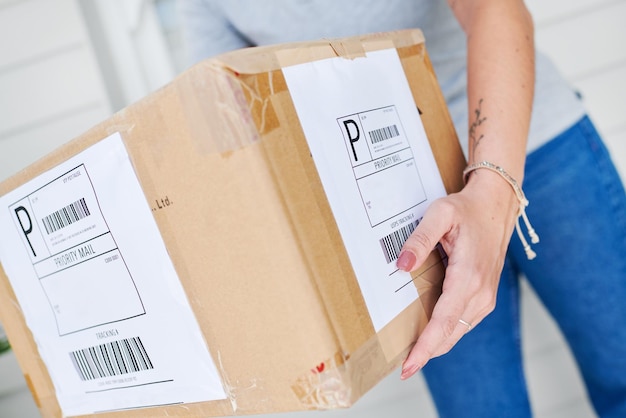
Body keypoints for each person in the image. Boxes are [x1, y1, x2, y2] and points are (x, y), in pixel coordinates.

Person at [178, 0, 626, 416]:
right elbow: (233, 127)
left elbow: (495, 9)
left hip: (535, 145)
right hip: (405, 205)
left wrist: (493, 189)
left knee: (619, 367)